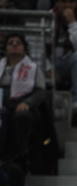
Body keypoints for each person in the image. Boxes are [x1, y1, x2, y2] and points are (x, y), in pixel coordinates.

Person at [0, 34, 47, 165]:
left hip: (23, 104)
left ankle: (18, 155)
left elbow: (41, 92)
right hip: (2, 103)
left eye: (18, 43)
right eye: (10, 43)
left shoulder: (33, 68)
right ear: (5, 49)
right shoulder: (1, 66)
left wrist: (27, 102)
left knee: (22, 116)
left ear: (24, 48)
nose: (14, 45)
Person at [52, 0, 77, 113]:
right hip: (48, 62)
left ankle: (76, 101)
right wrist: (48, 68)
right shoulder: (45, 17)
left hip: (67, 62)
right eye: (63, 1)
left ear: (76, 4)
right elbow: (36, 46)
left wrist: (72, 23)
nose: (67, 5)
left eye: (71, 2)